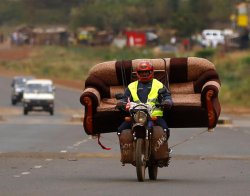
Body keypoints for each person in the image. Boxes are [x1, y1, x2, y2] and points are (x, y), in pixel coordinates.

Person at [116, 61, 173, 142]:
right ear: (137, 73)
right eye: (141, 72)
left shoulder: (159, 84)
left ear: (151, 72)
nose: (144, 74)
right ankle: (127, 151)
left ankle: (163, 149)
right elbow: (125, 98)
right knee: (120, 130)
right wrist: (121, 102)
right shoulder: (131, 86)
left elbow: (167, 96)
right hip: (136, 116)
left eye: (146, 72)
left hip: (154, 116)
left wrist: (167, 102)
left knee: (165, 129)